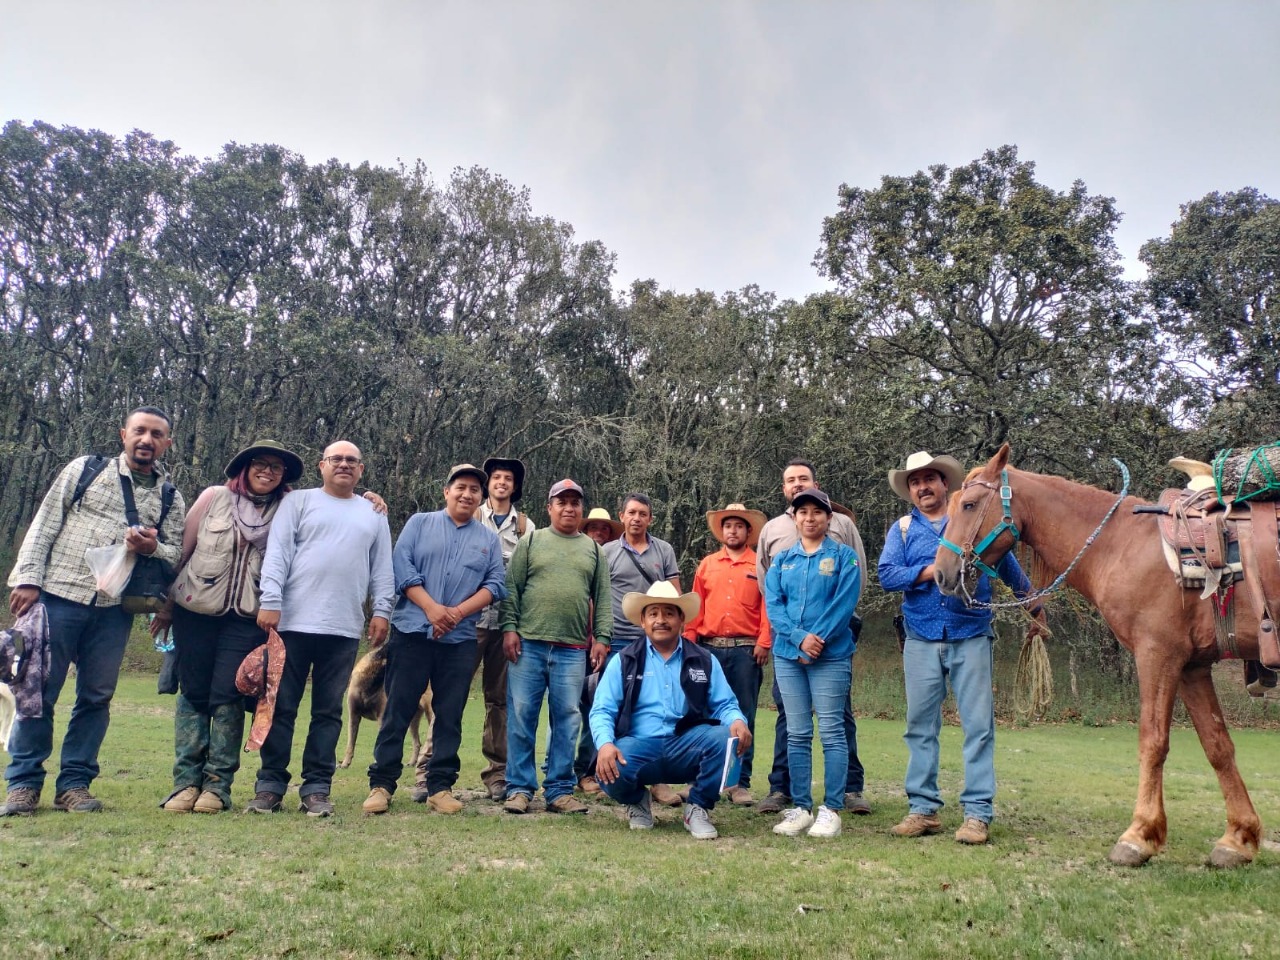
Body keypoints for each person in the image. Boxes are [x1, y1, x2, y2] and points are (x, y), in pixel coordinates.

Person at [3, 407, 186, 816]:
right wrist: (28, 578)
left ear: (166, 444)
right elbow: (44, 523)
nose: (147, 440)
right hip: (56, 596)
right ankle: (23, 784)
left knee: (96, 698)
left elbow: (176, 554)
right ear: (124, 434)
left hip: (114, 610)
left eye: (157, 435)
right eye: (139, 431)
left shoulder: (170, 496)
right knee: (36, 693)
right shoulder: (84, 470)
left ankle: (75, 784)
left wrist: (151, 548)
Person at [878, 450, 1046, 845]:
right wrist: (932, 569)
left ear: (944, 484)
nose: (923, 487)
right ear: (911, 490)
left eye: (929, 479)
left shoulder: (971, 519)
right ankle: (922, 810)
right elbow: (887, 575)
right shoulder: (901, 530)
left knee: (978, 727)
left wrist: (1033, 605)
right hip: (920, 637)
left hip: (970, 634)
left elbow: (1007, 565)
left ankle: (977, 814)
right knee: (920, 727)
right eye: (915, 482)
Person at [153, 440, 304, 814]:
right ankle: (185, 783)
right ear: (244, 467)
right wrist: (166, 608)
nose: (267, 471)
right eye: (260, 464)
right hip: (195, 611)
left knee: (228, 694)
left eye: (276, 467)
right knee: (193, 692)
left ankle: (217, 787)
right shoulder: (213, 498)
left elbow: (335, 502)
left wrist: (371, 498)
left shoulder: (290, 509)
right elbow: (182, 553)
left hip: (248, 618)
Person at [248, 440, 395, 817]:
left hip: (343, 627)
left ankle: (316, 788)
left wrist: (382, 611)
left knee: (328, 712)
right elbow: (278, 551)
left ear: (361, 470)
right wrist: (271, 600)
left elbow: (382, 567)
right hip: (292, 623)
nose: (344, 465)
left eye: (352, 460)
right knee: (281, 707)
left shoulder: (373, 512)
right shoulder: (298, 503)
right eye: (336, 459)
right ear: (322, 465)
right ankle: (270, 786)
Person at [365, 464, 507, 816]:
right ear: (447, 491)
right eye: (461, 487)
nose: (467, 494)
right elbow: (403, 567)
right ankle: (382, 785)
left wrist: (454, 615)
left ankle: (439, 786)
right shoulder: (419, 523)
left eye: (475, 490)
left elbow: (495, 585)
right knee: (398, 708)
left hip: (459, 639)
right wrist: (432, 610)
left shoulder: (488, 539)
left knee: (449, 714)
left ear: (481, 498)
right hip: (412, 632)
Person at [411, 456, 534, 803]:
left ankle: (497, 775)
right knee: (449, 698)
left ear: (514, 487)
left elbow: (524, 581)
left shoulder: (526, 527)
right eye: (496, 477)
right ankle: (427, 773)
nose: (502, 483)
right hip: (463, 624)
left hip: (504, 624)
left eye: (508, 479)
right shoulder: (465, 516)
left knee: (500, 701)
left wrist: (515, 625)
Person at [590, 581, 751, 840]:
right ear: (642, 621)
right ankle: (637, 800)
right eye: (653, 613)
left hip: (687, 744)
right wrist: (606, 744)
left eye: (668, 613)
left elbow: (726, 704)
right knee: (607, 767)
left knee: (726, 738)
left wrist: (737, 720)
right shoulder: (623, 660)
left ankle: (697, 807)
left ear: (681, 620)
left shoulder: (704, 659)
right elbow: (602, 710)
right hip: (639, 744)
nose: (660, 620)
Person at [755, 459, 871, 816]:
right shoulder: (782, 559)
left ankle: (833, 807)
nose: (809, 518)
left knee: (833, 731)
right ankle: (801, 806)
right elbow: (773, 604)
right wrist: (798, 639)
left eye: (816, 512)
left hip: (831, 654)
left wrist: (815, 640)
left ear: (828, 518)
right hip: (789, 655)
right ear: (793, 517)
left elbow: (844, 602)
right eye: (802, 512)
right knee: (798, 733)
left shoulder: (844, 557)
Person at [501, 479, 612, 815]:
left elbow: (603, 598)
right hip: (528, 645)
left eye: (574, 503)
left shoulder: (592, 549)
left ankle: (560, 790)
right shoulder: (531, 541)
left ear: (581, 509)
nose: (568, 508)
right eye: (561, 502)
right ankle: (519, 788)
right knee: (522, 717)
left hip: (573, 650)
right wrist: (509, 629)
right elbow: (512, 589)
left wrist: (602, 639)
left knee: (567, 719)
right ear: (549, 508)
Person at [683, 503, 770, 806]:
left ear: (748, 531)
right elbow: (696, 606)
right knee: (703, 715)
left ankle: (738, 782)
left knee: (743, 715)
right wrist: (690, 641)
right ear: (722, 531)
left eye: (739, 526)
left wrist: (764, 640)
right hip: (708, 649)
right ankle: (700, 777)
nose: (733, 530)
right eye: (728, 526)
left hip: (746, 650)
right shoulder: (707, 564)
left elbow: (767, 605)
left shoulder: (758, 564)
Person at [600, 493, 684, 806]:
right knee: (619, 710)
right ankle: (617, 772)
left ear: (650, 518)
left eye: (643, 513)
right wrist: (599, 637)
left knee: (656, 706)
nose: (637, 518)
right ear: (621, 516)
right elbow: (597, 596)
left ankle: (658, 781)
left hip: (657, 642)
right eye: (631, 512)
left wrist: (678, 636)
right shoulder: (607, 551)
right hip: (617, 640)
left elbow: (675, 594)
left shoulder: (664, 550)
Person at [572, 507, 621, 795]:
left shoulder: (608, 559)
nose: (599, 534)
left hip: (599, 644)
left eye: (604, 529)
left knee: (595, 708)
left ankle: (587, 770)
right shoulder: (576, 556)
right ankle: (561, 770)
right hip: (570, 643)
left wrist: (602, 637)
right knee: (565, 710)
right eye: (594, 529)